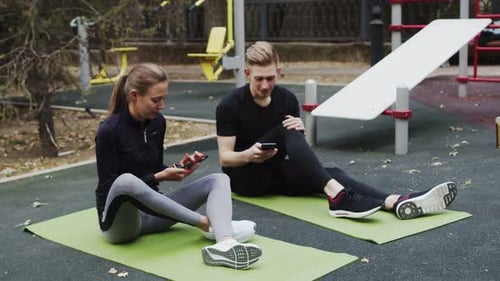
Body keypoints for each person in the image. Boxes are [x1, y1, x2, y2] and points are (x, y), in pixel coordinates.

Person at [215, 41, 457, 220]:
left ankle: (395, 202)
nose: (265, 85)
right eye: (258, 79)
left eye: (270, 78)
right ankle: (337, 197)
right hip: (245, 179)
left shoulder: (287, 99)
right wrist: (249, 154)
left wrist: (300, 134)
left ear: (279, 71)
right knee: (287, 129)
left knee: (332, 172)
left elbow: (295, 147)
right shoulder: (230, 104)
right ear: (247, 73)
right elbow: (225, 158)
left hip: (274, 173)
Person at [94, 63, 262, 270]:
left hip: (152, 214)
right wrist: (159, 177)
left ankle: (225, 242)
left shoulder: (157, 122)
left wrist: (176, 169)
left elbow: (154, 167)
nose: (162, 105)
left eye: (164, 98)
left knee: (219, 179)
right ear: (134, 95)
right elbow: (111, 186)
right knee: (125, 181)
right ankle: (206, 223)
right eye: (156, 100)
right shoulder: (109, 130)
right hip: (120, 226)